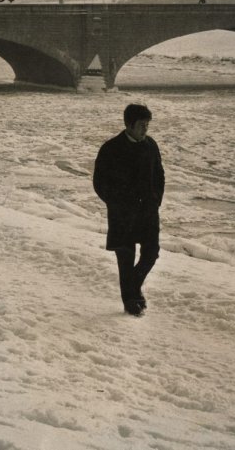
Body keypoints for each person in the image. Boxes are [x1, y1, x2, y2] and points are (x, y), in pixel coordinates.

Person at [93, 103, 165, 316]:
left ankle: (133, 288)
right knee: (126, 258)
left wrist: (156, 200)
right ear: (129, 125)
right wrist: (117, 204)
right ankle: (130, 301)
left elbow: (159, 175)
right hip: (123, 215)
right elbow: (100, 183)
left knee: (151, 253)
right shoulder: (111, 148)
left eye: (148, 125)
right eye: (142, 125)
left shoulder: (151, 145)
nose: (146, 130)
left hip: (148, 212)